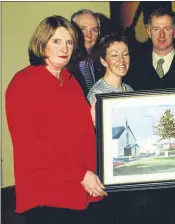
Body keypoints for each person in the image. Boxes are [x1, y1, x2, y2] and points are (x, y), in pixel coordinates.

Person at [5, 15, 107, 224]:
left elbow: (73, 131)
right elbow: (31, 148)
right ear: (42, 44)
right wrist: (81, 174)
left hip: (79, 190)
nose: (65, 48)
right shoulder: (23, 83)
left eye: (69, 42)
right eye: (56, 41)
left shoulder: (70, 81)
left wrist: (93, 120)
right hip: (47, 195)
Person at [124, 8, 175, 91]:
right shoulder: (132, 68)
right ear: (149, 32)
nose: (161, 35)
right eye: (156, 29)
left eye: (167, 29)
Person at [68, 9, 104, 98]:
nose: (89, 35)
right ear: (71, 31)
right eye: (83, 29)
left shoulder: (104, 62)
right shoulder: (64, 63)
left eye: (94, 30)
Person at [87, 34, 133, 104]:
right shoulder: (98, 95)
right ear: (103, 61)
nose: (121, 60)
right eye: (114, 55)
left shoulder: (129, 89)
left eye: (125, 54)